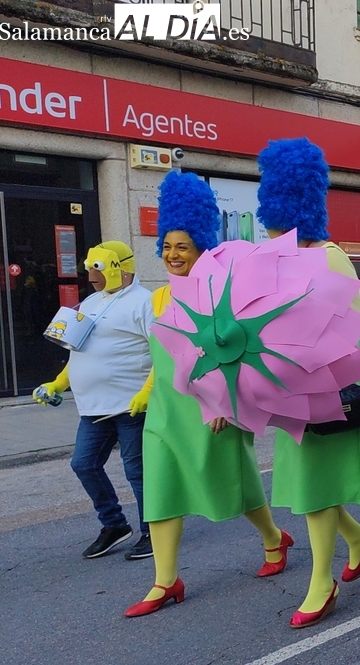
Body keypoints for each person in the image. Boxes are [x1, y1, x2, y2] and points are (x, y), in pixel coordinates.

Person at [125, 172, 293, 618]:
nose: (172, 254)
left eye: (182, 246)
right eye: (166, 246)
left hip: (213, 409)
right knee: (160, 490)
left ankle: (274, 537)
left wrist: (223, 402)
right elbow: (159, 358)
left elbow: (240, 353)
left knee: (232, 487)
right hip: (166, 413)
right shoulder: (157, 297)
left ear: (200, 246)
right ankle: (165, 581)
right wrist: (145, 394)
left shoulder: (219, 292)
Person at [256, 138, 360, 629]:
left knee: (315, 487)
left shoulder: (328, 257)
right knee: (315, 485)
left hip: (326, 391)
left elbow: (338, 334)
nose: (266, 222)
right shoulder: (284, 259)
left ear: (290, 209)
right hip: (292, 390)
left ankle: (321, 581)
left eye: (273, 210)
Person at [34, 241, 155, 561]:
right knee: (83, 464)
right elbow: (77, 351)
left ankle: (152, 531)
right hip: (93, 408)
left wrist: (148, 391)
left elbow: (164, 352)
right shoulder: (89, 303)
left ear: (121, 267)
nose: (89, 274)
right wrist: (58, 384)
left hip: (132, 406)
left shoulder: (145, 302)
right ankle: (114, 525)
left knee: (138, 471)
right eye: (88, 267)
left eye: (96, 267)